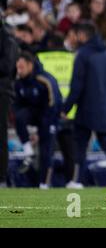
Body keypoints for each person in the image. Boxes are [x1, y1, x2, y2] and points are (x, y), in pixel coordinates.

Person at [61, 22, 106, 190]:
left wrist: (66, 108)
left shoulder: (83, 55)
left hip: (86, 109)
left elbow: (76, 86)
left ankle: (78, 181)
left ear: (82, 35)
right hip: (105, 108)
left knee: (80, 145)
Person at [14, 51, 62, 189]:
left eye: (21, 67)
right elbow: (17, 105)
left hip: (49, 117)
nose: (19, 71)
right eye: (18, 67)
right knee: (19, 116)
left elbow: (53, 103)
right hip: (35, 115)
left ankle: (44, 183)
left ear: (30, 65)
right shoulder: (19, 82)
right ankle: (28, 150)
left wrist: (43, 129)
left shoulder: (45, 80)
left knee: (46, 150)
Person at [0, 22, 19, 187]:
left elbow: (6, 67)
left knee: (1, 134)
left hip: (2, 93)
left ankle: (1, 178)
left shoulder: (8, 40)